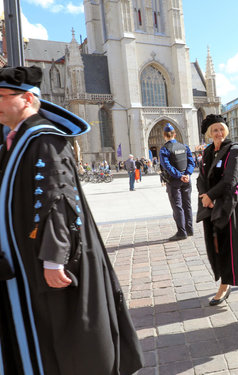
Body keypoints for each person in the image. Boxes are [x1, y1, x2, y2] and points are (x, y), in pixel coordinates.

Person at [0, 66, 143, 374]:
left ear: (26, 98)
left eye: (0, 96)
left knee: (68, 339)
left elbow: (58, 198)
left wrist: (54, 257)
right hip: (26, 258)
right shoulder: (17, 140)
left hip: (50, 264)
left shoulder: (44, 139)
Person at [196, 114, 238, 306]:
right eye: (214, 130)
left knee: (229, 245)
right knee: (216, 244)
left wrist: (211, 196)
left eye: (221, 129)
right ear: (209, 134)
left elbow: (230, 179)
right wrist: (205, 196)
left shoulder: (235, 151)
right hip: (211, 204)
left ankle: (225, 284)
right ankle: (224, 280)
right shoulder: (208, 151)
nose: (218, 133)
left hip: (230, 205)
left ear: (226, 131)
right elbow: (200, 178)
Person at [159, 123, 195, 241]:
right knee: (187, 205)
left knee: (177, 206)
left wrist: (179, 176)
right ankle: (189, 229)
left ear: (164, 135)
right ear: (175, 134)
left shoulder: (164, 149)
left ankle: (181, 232)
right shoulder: (184, 147)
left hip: (174, 181)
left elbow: (167, 166)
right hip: (186, 180)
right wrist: (187, 174)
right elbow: (191, 162)